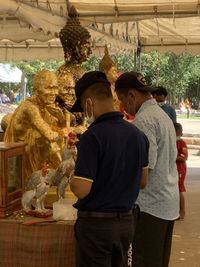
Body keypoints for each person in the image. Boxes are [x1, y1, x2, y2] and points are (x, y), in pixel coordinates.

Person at [69, 71, 149, 267]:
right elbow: (143, 181)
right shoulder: (138, 135)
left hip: (97, 227)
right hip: (126, 224)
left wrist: (70, 174)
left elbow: (81, 189)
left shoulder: (92, 137)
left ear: (88, 103)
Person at [115, 71, 179, 267]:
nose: (122, 106)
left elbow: (144, 172)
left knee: (143, 260)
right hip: (167, 202)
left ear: (131, 95)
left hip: (149, 207)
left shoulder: (144, 120)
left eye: (121, 100)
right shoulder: (162, 115)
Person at [4, 70, 67, 180]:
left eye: (55, 88)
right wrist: (64, 133)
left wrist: (61, 119)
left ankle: (57, 174)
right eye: (49, 88)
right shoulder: (29, 107)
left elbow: (55, 127)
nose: (54, 93)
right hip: (19, 149)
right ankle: (60, 174)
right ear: (37, 89)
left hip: (31, 147)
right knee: (47, 141)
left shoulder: (45, 106)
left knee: (53, 140)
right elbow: (47, 132)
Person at [174, 122, 188, 219]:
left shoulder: (182, 143)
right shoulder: (171, 141)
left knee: (179, 189)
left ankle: (182, 211)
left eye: (177, 133)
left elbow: (183, 158)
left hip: (180, 169)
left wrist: (172, 156)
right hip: (173, 168)